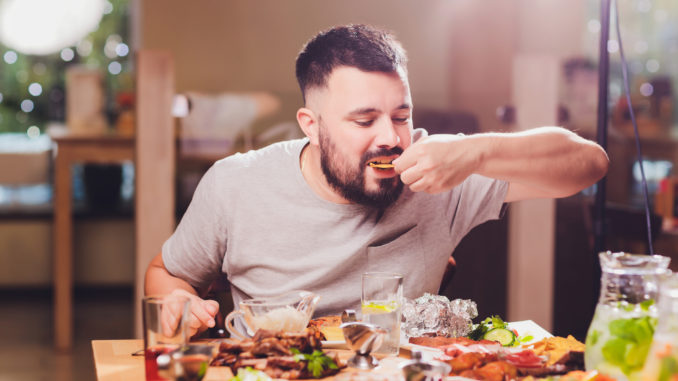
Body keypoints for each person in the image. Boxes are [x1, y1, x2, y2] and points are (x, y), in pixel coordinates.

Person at [145, 24, 609, 337]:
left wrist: (476, 152)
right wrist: (179, 303)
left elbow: (588, 164)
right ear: (311, 124)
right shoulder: (236, 184)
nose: (390, 137)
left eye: (401, 115)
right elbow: (166, 274)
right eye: (364, 121)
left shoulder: (440, 167)